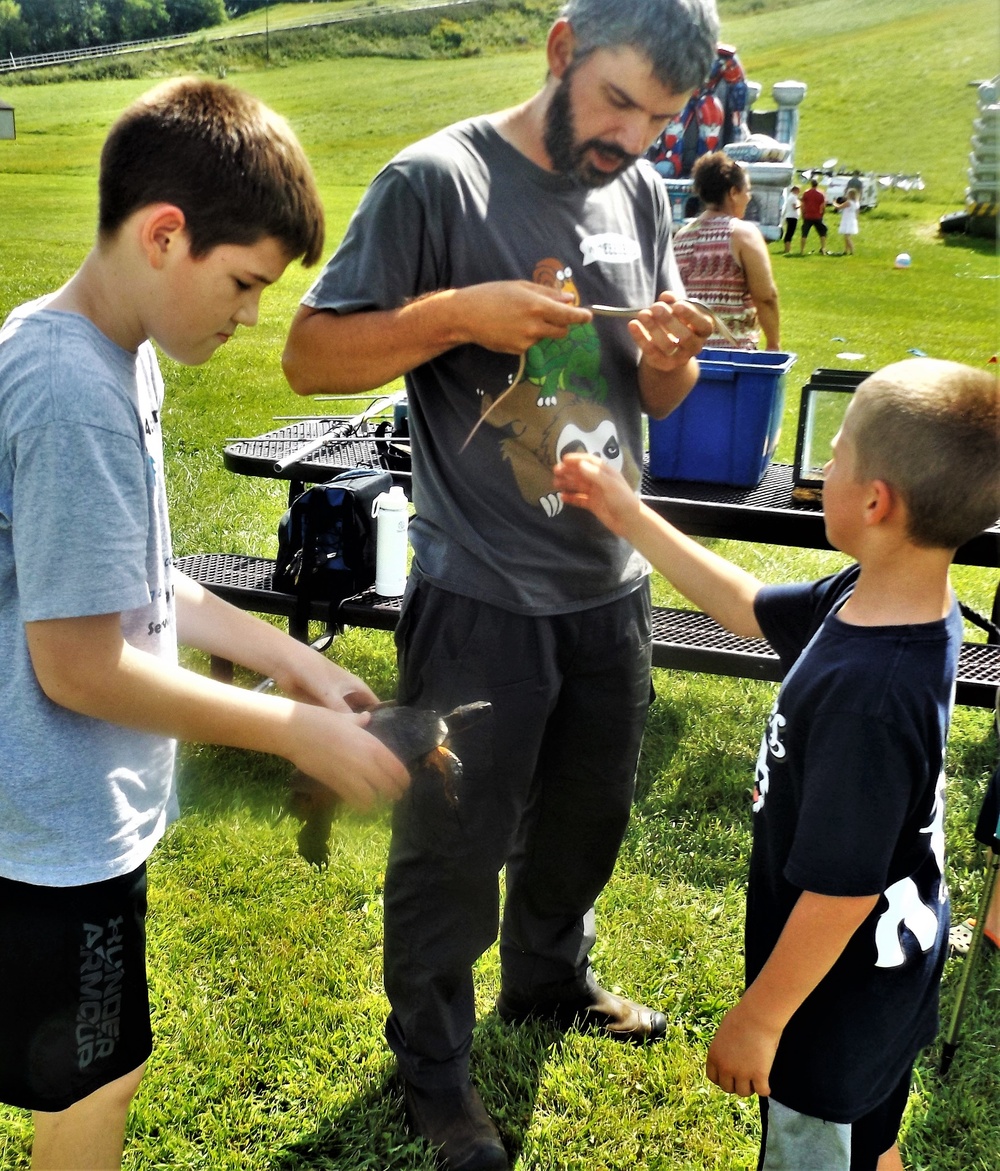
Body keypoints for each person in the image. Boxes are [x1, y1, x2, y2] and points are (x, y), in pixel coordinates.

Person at [282, 1, 720, 1166]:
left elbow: (651, 402)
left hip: (609, 583)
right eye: (620, 101)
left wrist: (669, 360)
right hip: (478, 590)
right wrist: (452, 317)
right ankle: (433, 1074)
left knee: (586, 820)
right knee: (452, 848)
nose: (634, 138)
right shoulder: (436, 180)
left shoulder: (640, 192)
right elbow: (310, 353)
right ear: (562, 48)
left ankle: (548, 979)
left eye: (664, 120)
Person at [0, 78, 410, 1171]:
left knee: (92, 1062)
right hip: (52, 839)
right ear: (164, 235)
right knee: (93, 1078)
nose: (248, 316)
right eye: (242, 283)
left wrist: (286, 656)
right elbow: (78, 665)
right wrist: (285, 730)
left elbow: (135, 578)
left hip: (58, 822)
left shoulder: (107, 353)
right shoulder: (68, 386)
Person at [553, 358, 1000, 1171]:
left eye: (836, 454)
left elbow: (842, 890)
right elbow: (745, 605)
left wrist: (763, 1017)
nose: (822, 465)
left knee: (822, 1151)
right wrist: (626, 511)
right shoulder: (889, 596)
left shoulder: (870, 694)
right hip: (887, 977)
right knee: (871, 1143)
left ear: (875, 501)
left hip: (833, 1008)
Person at [672, 151, 780, 350]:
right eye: (746, 191)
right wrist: (774, 343)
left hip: (687, 355)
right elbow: (766, 296)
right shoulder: (742, 234)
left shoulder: (681, 237)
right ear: (733, 192)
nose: (748, 197)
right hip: (733, 354)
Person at [799, 177, 829, 255]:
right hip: (817, 216)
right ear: (817, 185)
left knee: (804, 234)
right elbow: (823, 206)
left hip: (808, 216)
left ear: (811, 184)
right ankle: (823, 249)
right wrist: (822, 214)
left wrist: (803, 214)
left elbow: (802, 205)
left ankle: (802, 250)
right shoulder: (821, 194)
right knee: (822, 232)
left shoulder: (806, 193)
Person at [835, 186, 861, 255]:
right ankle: (846, 250)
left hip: (847, 219)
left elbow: (839, 207)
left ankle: (852, 250)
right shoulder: (857, 203)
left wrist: (834, 202)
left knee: (847, 237)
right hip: (852, 219)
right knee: (846, 236)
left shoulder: (849, 202)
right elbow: (857, 212)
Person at [780, 184, 800, 255]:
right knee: (790, 232)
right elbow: (794, 207)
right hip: (792, 216)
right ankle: (787, 249)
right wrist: (801, 205)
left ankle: (787, 248)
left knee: (789, 232)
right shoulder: (793, 197)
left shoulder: (791, 197)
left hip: (790, 216)